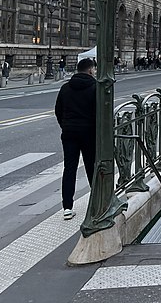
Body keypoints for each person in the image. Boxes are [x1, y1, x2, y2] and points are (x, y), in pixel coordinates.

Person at [54, 58, 97, 220]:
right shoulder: (94, 88)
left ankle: (67, 207)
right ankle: (96, 202)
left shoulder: (65, 88)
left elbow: (58, 110)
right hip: (89, 133)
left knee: (69, 168)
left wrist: (65, 126)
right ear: (90, 70)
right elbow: (98, 113)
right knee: (91, 167)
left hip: (69, 133)